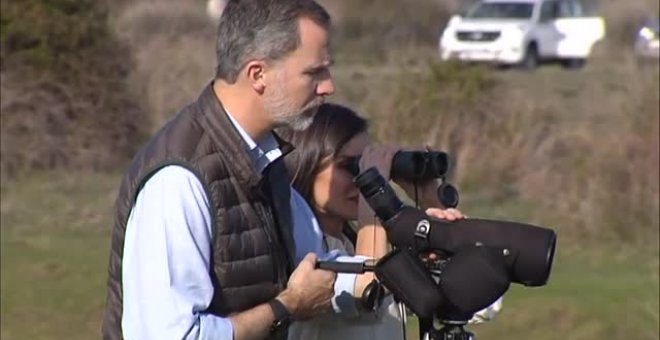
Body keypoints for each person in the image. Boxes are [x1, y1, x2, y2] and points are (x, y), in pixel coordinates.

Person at [101, 1, 362, 339]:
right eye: (314, 72)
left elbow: (321, 270)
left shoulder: (266, 159)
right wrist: (285, 307)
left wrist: (418, 240)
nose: (329, 87)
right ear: (258, 74)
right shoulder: (178, 182)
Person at [278, 103, 496, 340]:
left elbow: (480, 296)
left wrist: (430, 200)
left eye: (364, 167)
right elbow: (363, 295)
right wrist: (374, 196)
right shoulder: (299, 251)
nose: (359, 180)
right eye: (349, 166)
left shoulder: (366, 243)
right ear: (304, 164)